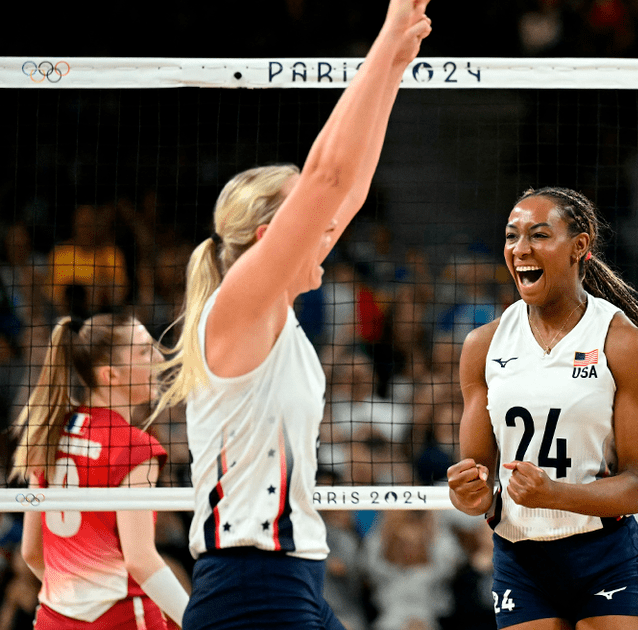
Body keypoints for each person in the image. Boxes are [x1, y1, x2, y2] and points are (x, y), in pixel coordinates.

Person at [150, 2, 432, 628]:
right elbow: (329, 180)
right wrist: (382, 36)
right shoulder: (238, 306)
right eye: (307, 220)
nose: (327, 232)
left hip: (291, 574)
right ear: (269, 236)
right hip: (252, 582)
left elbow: (348, 190)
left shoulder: (266, 313)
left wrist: (390, 70)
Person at [447, 187, 638, 630]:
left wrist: (554, 494)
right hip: (520, 556)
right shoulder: (482, 346)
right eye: (512, 236)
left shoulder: (625, 343)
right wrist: (469, 493)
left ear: (580, 245)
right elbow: (477, 483)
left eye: (539, 235)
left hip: (603, 553)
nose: (521, 249)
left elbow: (637, 487)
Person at [10, 314, 189, 629]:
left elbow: (32, 552)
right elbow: (140, 560)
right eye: (145, 352)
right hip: (122, 617)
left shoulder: (51, 431)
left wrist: (77, 599)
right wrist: (196, 620)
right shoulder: (135, 446)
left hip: (54, 618)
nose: (159, 358)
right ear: (111, 375)